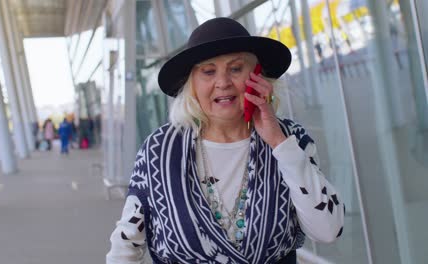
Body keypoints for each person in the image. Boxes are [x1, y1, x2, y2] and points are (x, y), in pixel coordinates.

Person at [106, 17, 344, 264]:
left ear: (257, 75)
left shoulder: (291, 140)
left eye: (236, 69)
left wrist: (280, 144)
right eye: (208, 72)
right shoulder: (160, 150)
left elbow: (328, 230)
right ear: (192, 85)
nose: (223, 83)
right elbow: (125, 245)